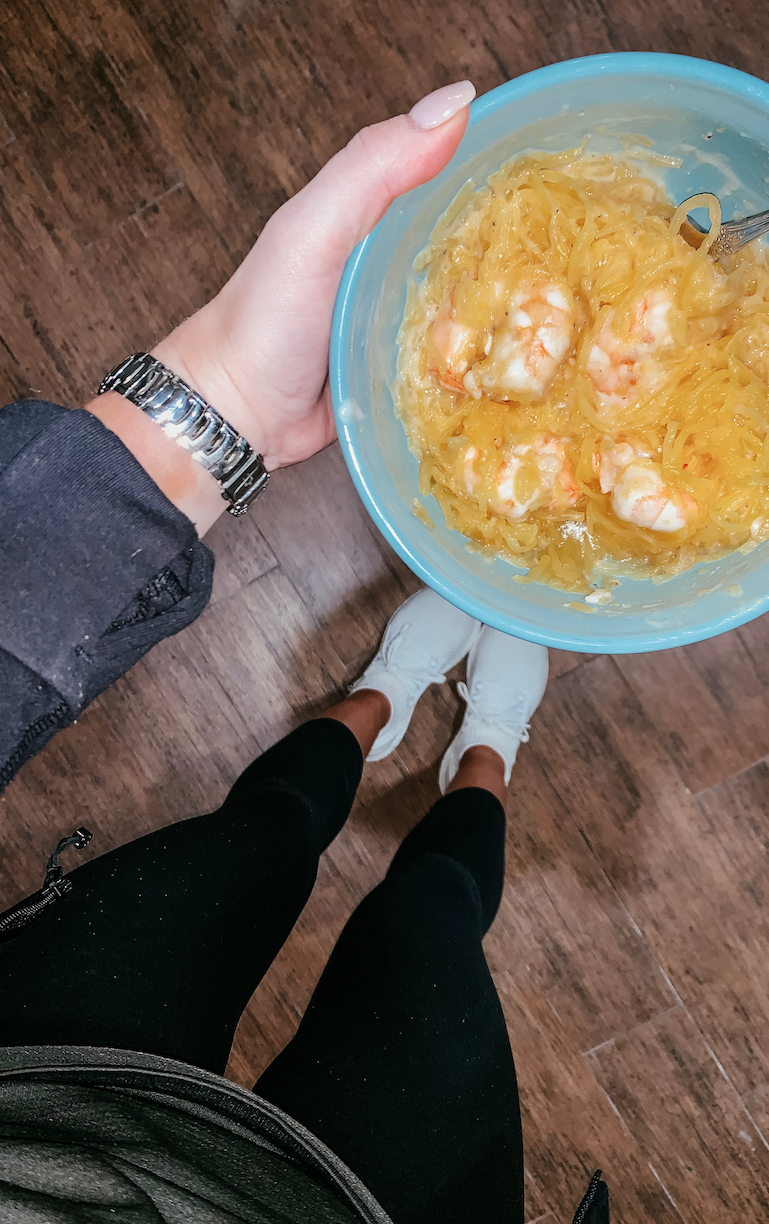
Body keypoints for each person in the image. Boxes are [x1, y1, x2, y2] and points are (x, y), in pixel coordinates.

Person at [0, 83, 609, 1223]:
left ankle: (381, 693)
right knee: (433, 923)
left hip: (32, 1090)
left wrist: (223, 396)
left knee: (260, 838)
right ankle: (488, 746)